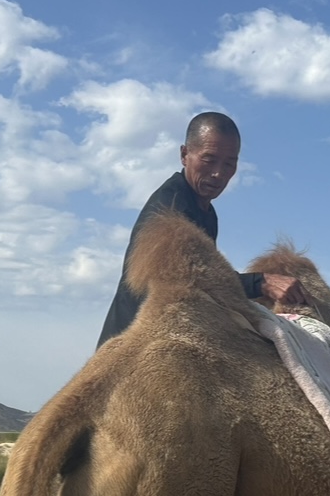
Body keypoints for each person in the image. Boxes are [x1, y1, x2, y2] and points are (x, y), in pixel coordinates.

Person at [97, 111, 307, 347]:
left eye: (229, 164)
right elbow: (190, 280)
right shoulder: (170, 208)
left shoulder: (206, 212)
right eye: (209, 160)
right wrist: (261, 283)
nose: (218, 174)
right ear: (185, 155)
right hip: (133, 348)